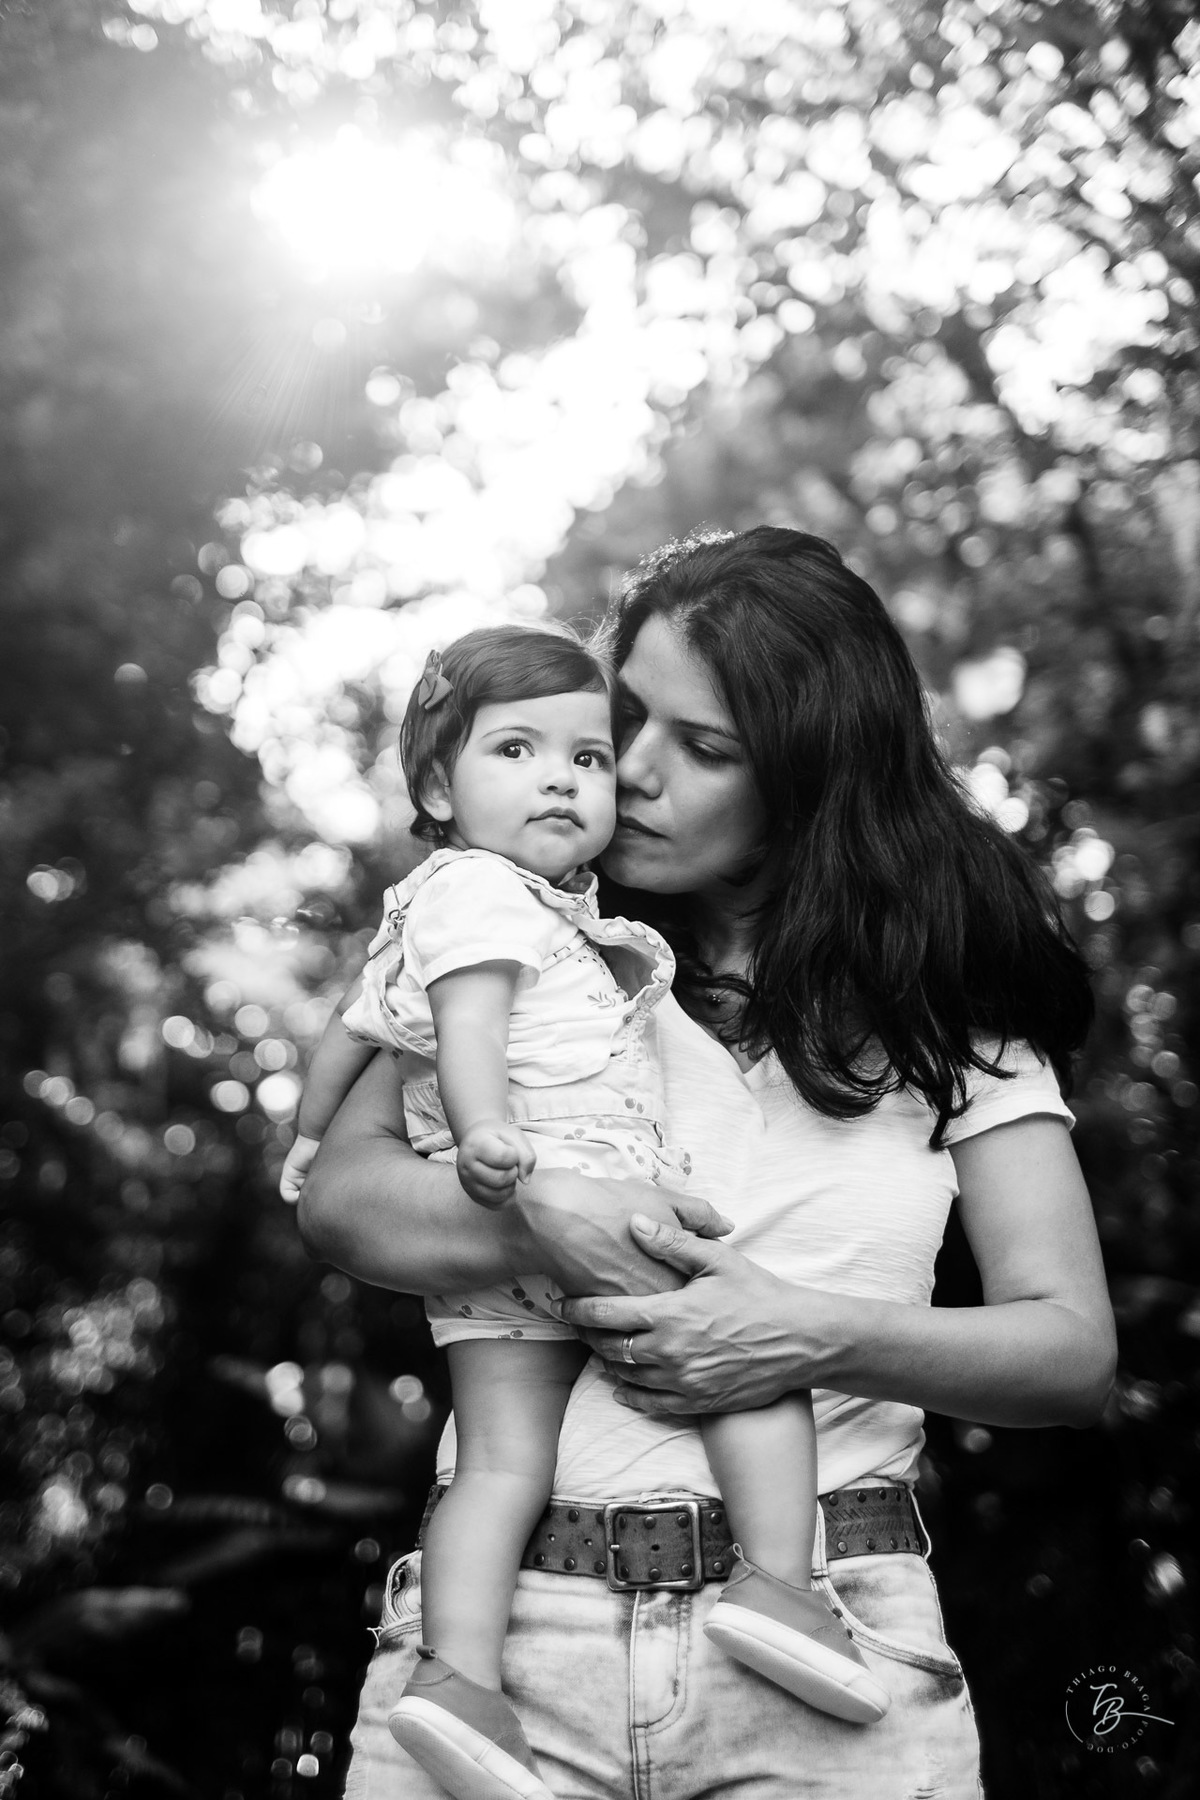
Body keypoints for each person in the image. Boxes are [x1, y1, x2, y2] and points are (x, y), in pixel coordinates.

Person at [298, 526, 1117, 1800]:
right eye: (627, 718)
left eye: (706, 747)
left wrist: (799, 1335)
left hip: (830, 1648)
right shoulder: (514, 930)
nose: (629, 769)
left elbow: (1070, 1352)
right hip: (500, 1652)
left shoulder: (952, 1008)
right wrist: (544, 1217)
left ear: (810, 776)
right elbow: (339, 1200)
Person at [284, 622, 887, 1800]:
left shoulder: (434, 909)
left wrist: (308, 1142)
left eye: (587, 758)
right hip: (566, 1184)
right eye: (516, 750)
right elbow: (469, 1027)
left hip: (487, 1243)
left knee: (499, 1462)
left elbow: (352, 1035)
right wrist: (492, 1140)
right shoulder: (489, 899)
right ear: (436, 789)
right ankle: (782, 1588)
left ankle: (459, 1679)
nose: (564, 779)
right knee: (752, 1364)